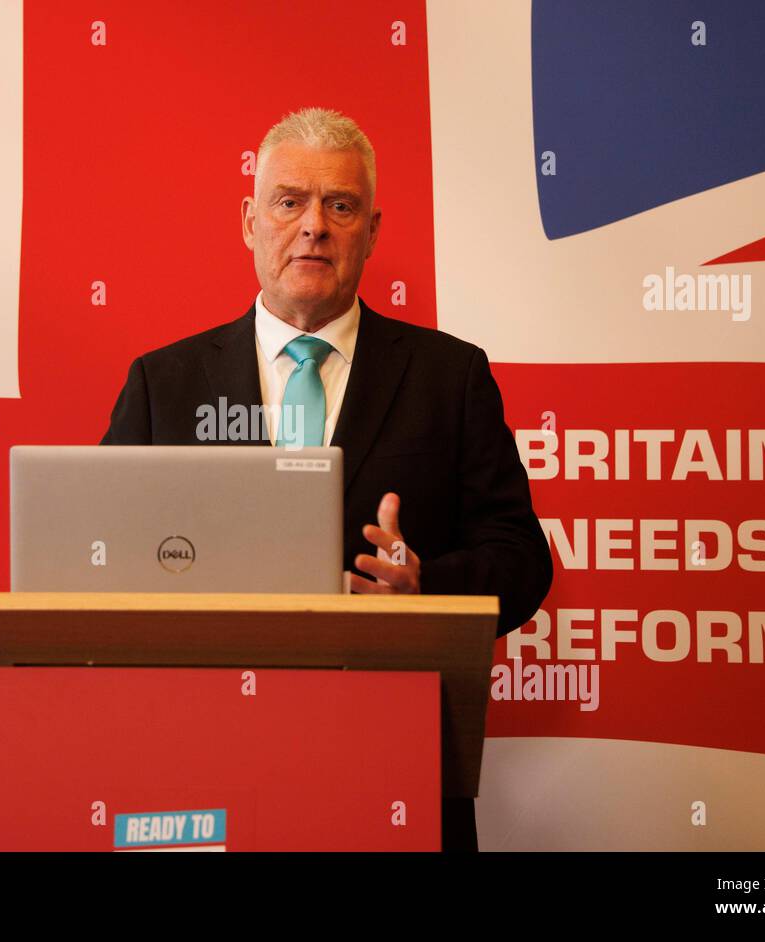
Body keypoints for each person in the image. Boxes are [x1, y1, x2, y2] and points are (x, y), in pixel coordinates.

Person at [100, 107, 553, 850]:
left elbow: (522, 560)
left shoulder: (449, 377)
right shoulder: (164, 383)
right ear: (249, 221)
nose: (313, 225)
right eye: (290, 202)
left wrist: (425, 587)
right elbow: (97, 562)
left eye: (340, 206)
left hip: (394, 767)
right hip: (200, 764)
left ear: (372, 230)